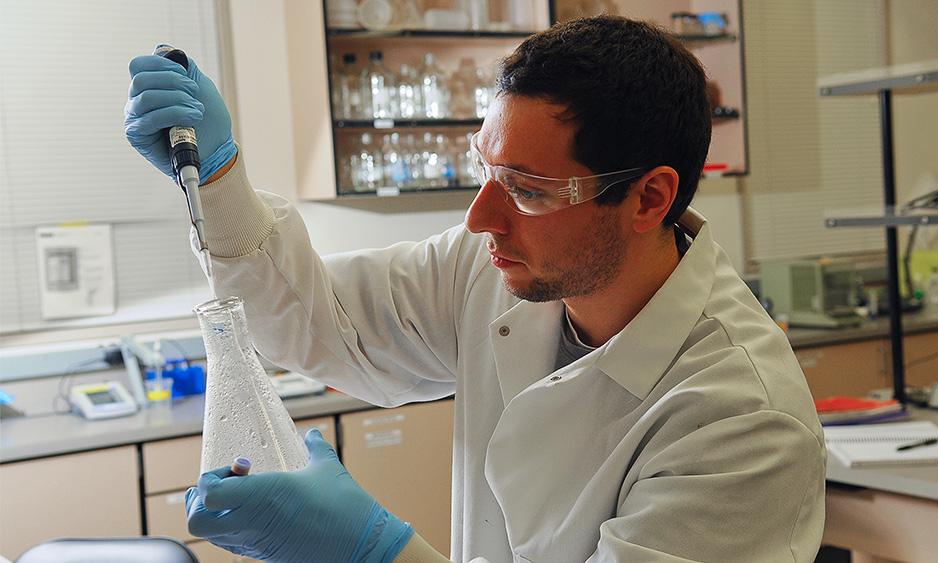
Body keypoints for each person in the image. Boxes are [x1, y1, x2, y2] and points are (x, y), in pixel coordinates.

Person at [125, 15, 826, 563]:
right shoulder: (498, 267)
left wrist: (372, 549)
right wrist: (218, 179)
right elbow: (321, 324)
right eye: (485, 169)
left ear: (648, 199)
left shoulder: (744, 417)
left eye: (527, 188)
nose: (480, 217)